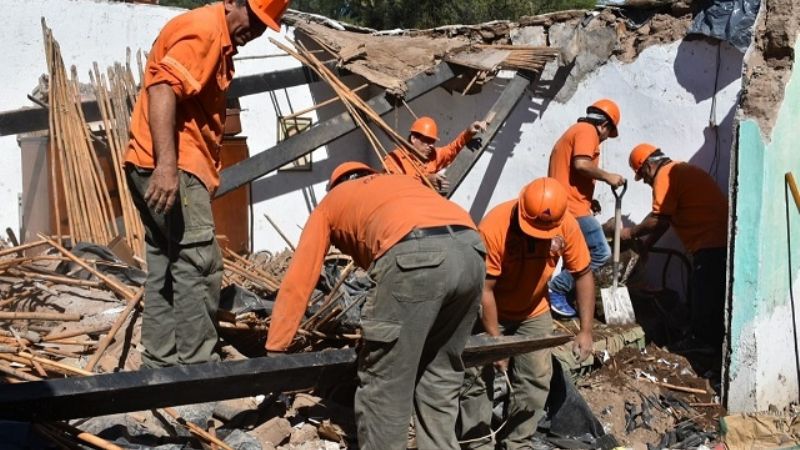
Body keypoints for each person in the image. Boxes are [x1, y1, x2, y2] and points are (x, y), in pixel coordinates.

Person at [266, 162, 487, 450]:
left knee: (386, 387)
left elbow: (300, 278)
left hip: (415, 258)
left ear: (335, 184)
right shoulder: (401, 183)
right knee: (441, 376)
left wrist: (276, 347)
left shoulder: (331, 202)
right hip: (471, 251)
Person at [124, 0, 290, 368]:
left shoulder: (215, 36)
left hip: (149, 161)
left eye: (266, 25)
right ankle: (198, 370)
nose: (257, 31)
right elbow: (163, 88)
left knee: (167, 260)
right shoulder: (206, 31)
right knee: (199, 263)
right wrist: (168, 166)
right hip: (173, 166)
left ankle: (160, 362)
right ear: (233, 2)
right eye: (256, 19)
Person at [458, 177, 596, 450]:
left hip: (533, 311)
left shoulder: (565, 224)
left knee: (535, 379)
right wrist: (497, 343)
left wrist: (586, 330)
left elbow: (582, 274)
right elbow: (485, 290)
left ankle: (517, 442)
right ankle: (476, 443)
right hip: (488, 308)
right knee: (477, 379)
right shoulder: (495, 226)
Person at [621, 144, 728, 351]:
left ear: (648, 167)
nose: (645, 182)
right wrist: (647, 245)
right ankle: (705, 341)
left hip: (710, 241)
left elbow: (658, 220)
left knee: (704, 296)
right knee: (705, 293)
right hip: (718, 239)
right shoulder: (678, 170)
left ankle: (702, 344)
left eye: (643, 176)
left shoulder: (665, 176)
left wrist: (631, 233)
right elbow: (664, 219)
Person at [547, 99, 626, 317]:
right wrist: (608, 177)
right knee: (600, 252)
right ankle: (557, 288)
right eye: (607, 134)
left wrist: (590, 200)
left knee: (573, 255)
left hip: (568, 204)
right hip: (572, 207)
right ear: (604, 125)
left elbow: (568, 173)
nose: (603, 139)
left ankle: (562, 302)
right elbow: (581, 164)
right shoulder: (587, 131)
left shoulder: (574, 131)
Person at [384, 116, 487, 193]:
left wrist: (468, 132)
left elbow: (451, 149)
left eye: (433, 142)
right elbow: (395, 187)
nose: (431, 146)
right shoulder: (394, 158)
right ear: (414, 139)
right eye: (427, 141)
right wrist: (425, 180)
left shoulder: (433, 155)